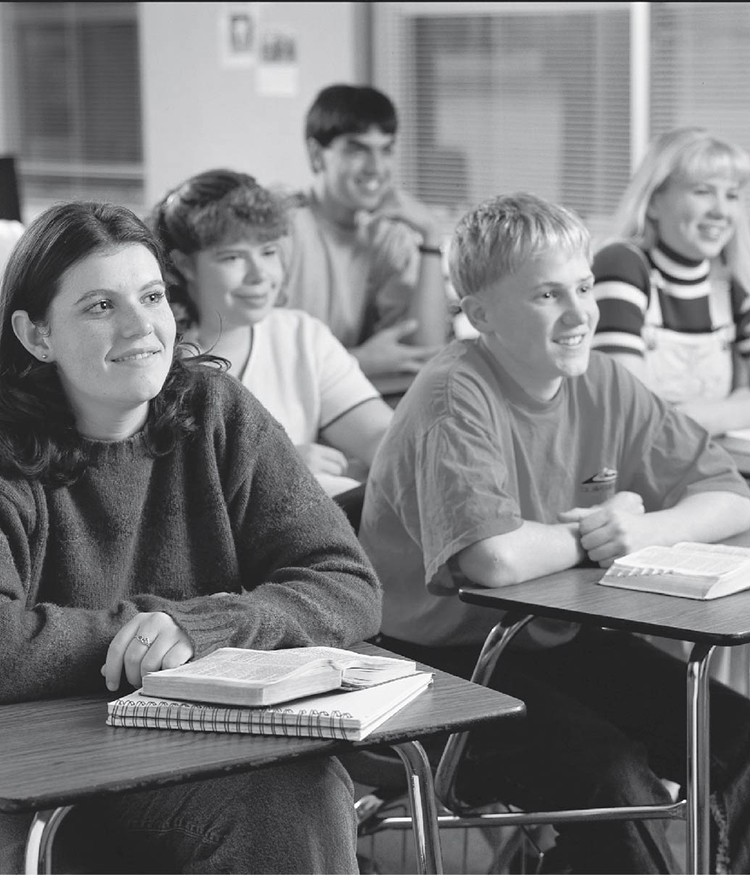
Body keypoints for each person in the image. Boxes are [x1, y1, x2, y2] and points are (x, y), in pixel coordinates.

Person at [359, 192, 750, 874]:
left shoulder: (603, 380)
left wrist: (640, 525)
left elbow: (730, 493)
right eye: (547, 295)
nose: (579, 315)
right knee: (609, 772)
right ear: (480, 314)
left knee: (740, 741)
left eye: (584, 287)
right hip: (429, 664)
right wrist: (595, 534)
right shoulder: (456, 393)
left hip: (546, 637)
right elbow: (492, 558)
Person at [0, 200, 381, 873]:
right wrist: (141, 637)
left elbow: (345, 581)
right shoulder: (9, 453)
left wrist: (199, 628)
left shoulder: (216, 410)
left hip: (211, 747)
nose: (142, 326)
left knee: (302, 789)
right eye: (99, 307)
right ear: (36, 335)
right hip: (48, 777)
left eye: (151, 296)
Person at [150, 168, 394, 497]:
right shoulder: (158, 358)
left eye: (268, 252)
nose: (259, 275)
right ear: (185, 265)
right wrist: (277, 463)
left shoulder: (303, 338)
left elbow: (380, 436)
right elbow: (171, 487)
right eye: (233, 257)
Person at [282, 83, 448, 378]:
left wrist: (431, 235)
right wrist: (358, 362)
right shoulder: (281, 229)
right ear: (317, 154)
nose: (376, 167)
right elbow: (255, 363)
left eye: (386, 150)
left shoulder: (388, 237)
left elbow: (423, 351)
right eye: (357, 149)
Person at [592, 126, 750, 436]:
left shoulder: (729, 285)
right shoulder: (621, 265)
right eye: (702, 191)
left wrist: (680, 418)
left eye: (732, 195)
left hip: (704, 460)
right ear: (652, 202)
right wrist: (736, 409)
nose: (721, 211)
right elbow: (630, 412)